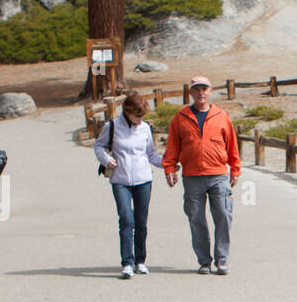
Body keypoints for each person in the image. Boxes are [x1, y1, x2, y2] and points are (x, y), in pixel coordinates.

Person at [163, 76, 241, 275]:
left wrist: (235, 168)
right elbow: (172, 146)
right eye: (196, 89)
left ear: (210, 91)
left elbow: (232, 144)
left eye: (204, 89)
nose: (201, 93)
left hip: (218, 174)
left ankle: (222, 260)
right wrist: (169, 168)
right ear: (191, 92)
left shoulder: (221, 116)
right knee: (196, 218)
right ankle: (204, 261)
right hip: (192, 175)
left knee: (223, 214)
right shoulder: (180, 117)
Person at [94, 92, 163, 279]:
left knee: (141, 222)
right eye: (137, 115)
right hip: (120, 180)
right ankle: (127, 262)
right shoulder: (112, 126)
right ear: (127, 111)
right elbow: (99, 146)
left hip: (143, 180)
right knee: (126, 219)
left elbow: (151, 155)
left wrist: (168, 164)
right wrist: (107, 160)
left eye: (142, 116)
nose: (140, 120)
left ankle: (140, 260)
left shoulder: (145, 128)